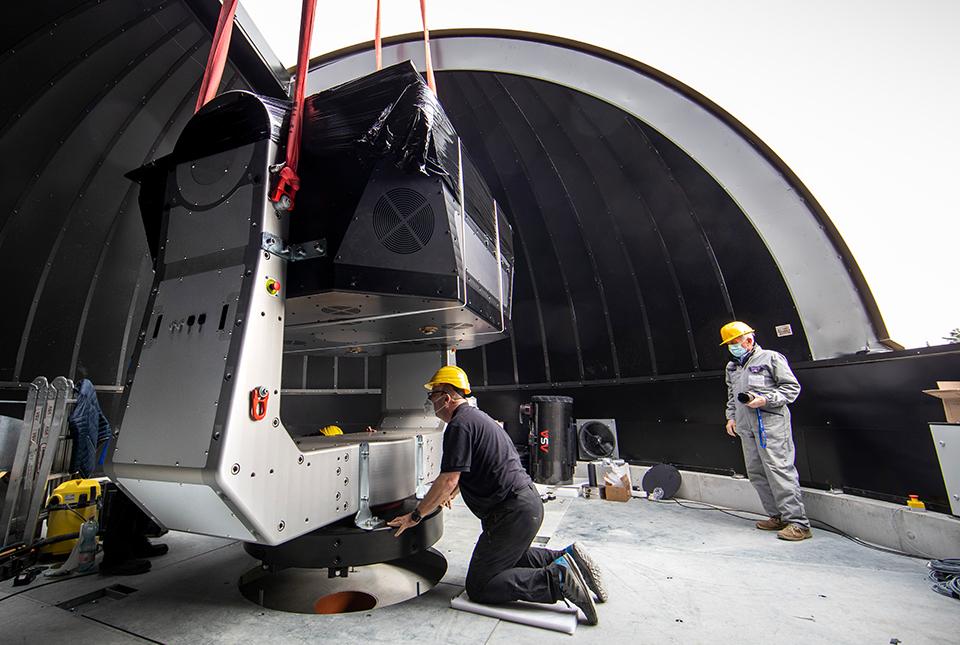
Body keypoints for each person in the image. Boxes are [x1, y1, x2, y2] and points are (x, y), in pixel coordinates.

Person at [387, 366, 608, 624]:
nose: (430, 403)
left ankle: (557, 581)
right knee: (509, 556)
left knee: (481, 585)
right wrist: (455, 491)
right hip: (526, 506)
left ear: (446, 397)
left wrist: (415, 515)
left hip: (511, 513)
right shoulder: (478, 419)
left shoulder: (459, 425)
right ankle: (568, 557)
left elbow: (448, 478)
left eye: (432, 396)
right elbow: (472, 469)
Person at [720, 321, 812, 541]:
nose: (732, 348)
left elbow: (791, 388)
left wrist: (765, 400)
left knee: (779, 470)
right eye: (729, 345)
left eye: (735, 343)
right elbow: (732, 396)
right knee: (757, 473)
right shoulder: (732, 367)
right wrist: (730, 417)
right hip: (745, 427)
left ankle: (799, 523)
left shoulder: (771, 358)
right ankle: (777, 516)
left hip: (770, 426)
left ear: (748, 340)